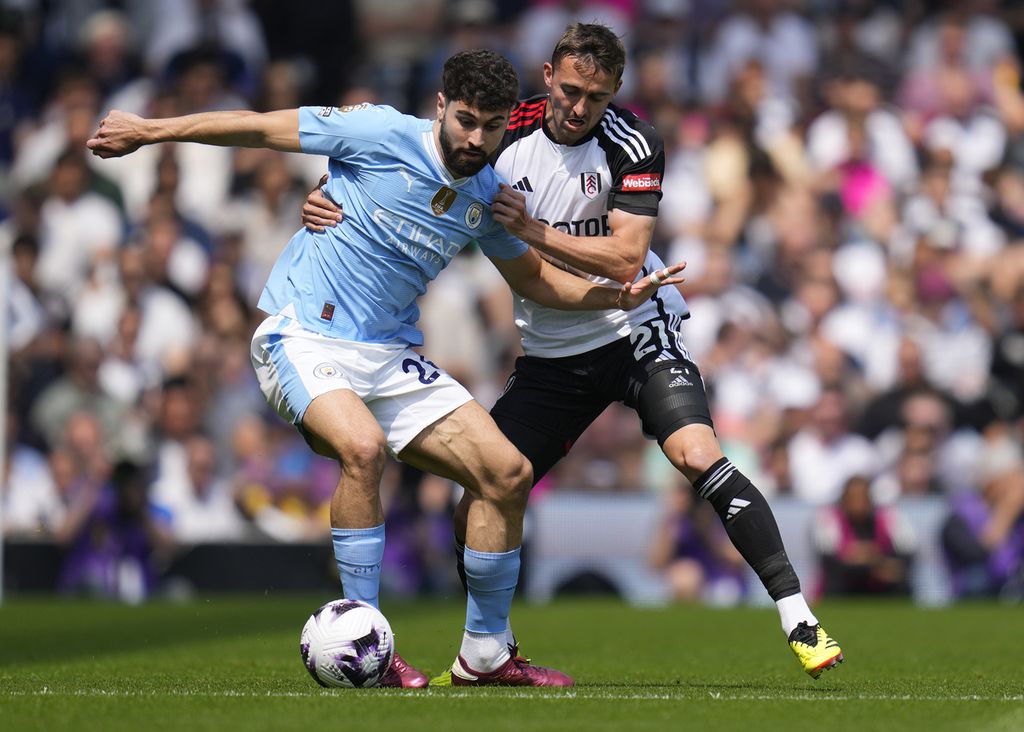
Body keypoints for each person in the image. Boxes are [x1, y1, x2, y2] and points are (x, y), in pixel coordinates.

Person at [87, 48, 682, 688]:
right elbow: (260, 126)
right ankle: (366, 632)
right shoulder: (375, 131)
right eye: (464, 120)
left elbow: (537, 282)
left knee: (507, 473)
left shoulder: (488, 192)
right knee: (363, 449)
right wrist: (149, 131)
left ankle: (485, 656)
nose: (475, 139)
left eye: (491, 126)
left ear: (510, 122)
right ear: (440, 108)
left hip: (390, 355)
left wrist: (612, 296)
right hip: (304, 335)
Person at [303, 25, 844, 680]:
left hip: (631, 331)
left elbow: (624, 258)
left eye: (595, 95)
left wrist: (531, 228)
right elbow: (418, 156)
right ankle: (484, 654)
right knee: (482, 494)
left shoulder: (634, 143)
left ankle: (798, 616)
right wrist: (331, 194)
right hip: (551, 354)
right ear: (546, 75)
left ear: (615, 92)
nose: (579, 107)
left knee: (698, 454)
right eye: (568, 89)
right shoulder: (507, 130)